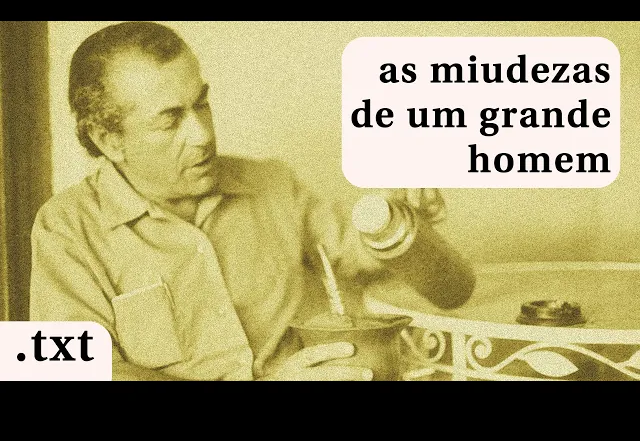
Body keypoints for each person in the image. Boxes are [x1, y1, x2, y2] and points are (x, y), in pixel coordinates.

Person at [30, 21, 475, 381]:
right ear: (108, 140)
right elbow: (65, 372)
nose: (202, 135)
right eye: (170, 121)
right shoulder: (63, 229)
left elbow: (366, 258)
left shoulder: (272, 184)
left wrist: (399, 221)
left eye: (202, 104)